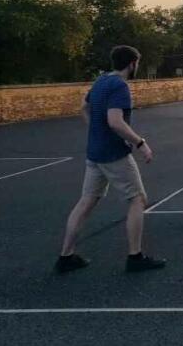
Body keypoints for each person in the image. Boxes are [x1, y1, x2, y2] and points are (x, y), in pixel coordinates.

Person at [56, 45, 165, 274]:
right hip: (113, 154)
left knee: (86, 201)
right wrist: (140, 143)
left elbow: (84, 108)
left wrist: (96, 131)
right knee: (138, 199)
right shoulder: (119, 86)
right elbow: (115, 121)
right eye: (138, 63)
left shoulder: (101, 81)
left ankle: (66, 256)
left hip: (94, 153)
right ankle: (135, 257)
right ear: (132, 63)